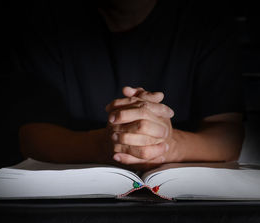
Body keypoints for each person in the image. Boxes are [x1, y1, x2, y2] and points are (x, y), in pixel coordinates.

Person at [13, 0, 245, 171]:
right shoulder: (48, 19)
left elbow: (227, 135)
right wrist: (105, 145)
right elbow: (32, 137)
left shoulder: (207, 20)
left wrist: (168, 144)